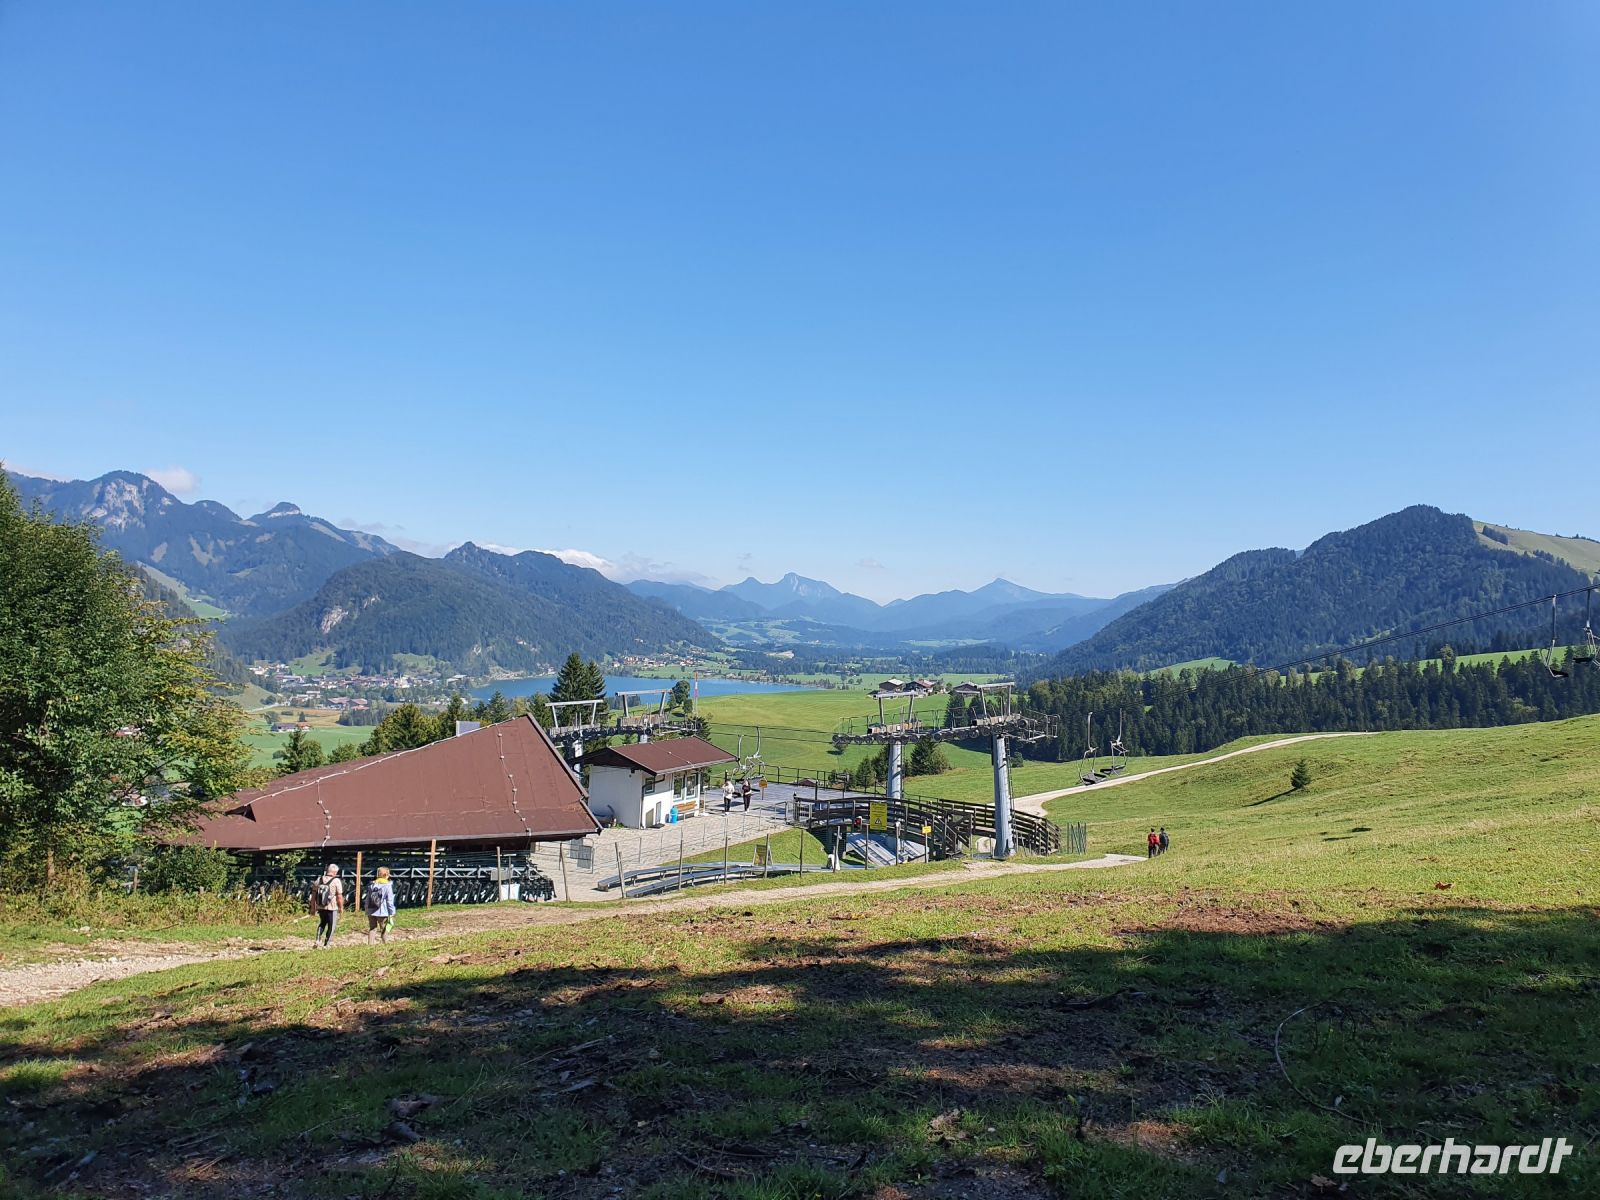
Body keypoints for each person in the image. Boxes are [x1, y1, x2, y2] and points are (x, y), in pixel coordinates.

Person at [310, 863, 344, 948]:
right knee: (331, 925)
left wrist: (313, 907)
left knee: (322, 923)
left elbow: (313, 895)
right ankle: (327, 944)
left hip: (321, 906)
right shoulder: (336, 881)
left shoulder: (319, 879)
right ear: (335, 872)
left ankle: (317, 940)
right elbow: (339, 896)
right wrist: (341, 907)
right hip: (332, 907)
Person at [364, 866, 396, 945]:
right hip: (382, 912)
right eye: (388, 874)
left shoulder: (371, 885)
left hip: (371, 910)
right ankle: (385, 944)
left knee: (372, 928)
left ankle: (370, 945)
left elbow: (367, 898)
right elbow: (389, 901)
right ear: (385, 875)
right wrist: (392, 912)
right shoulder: (387, 886)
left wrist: (366, 909)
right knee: (383, 928)